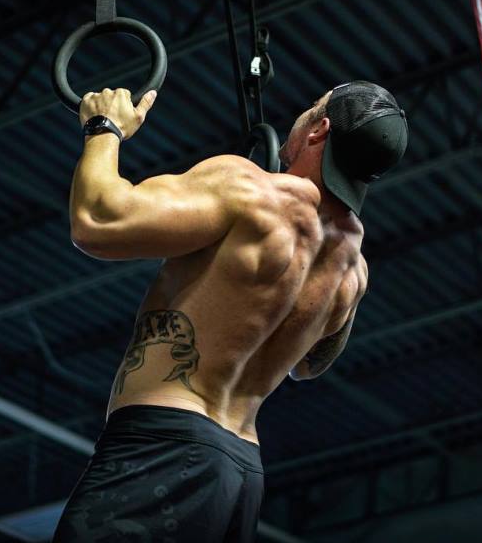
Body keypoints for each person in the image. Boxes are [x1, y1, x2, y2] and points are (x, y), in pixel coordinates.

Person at [52, 81, 408, 543]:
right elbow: (309, 363)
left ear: (319, 129)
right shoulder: (352, 269)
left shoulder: (247, 186)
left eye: (312, 106)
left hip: (164, 444)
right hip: (240, 475)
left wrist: (105, 127)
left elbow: (98, 221)